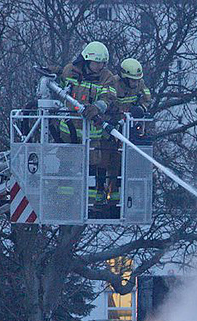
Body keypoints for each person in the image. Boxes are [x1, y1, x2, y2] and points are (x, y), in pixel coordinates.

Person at [57, 41, 117, 210]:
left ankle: (88, 205)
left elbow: (109, 98)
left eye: (103, 63)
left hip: (92, 134)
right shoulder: (71, 71)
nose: (100, 66)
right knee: (67, 166)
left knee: (92, 167)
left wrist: (97, 107)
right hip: (68, 131)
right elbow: (60, 87)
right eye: (97, 62)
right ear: (87, 60)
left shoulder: (107, 77)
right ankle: (65, 203)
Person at [102, 58, 153, 202]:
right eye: (132, 80)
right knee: (106, 161)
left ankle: (116, 197)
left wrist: (140, 109)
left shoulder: (140, 83)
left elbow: (147, 99)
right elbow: (107, 100)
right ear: (124, 78)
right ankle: (103, 192)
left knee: (123, 163)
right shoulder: (113, 82)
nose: (135, 83)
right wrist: (119, 112)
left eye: (137, 80)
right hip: (111, 126)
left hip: (128, 128)